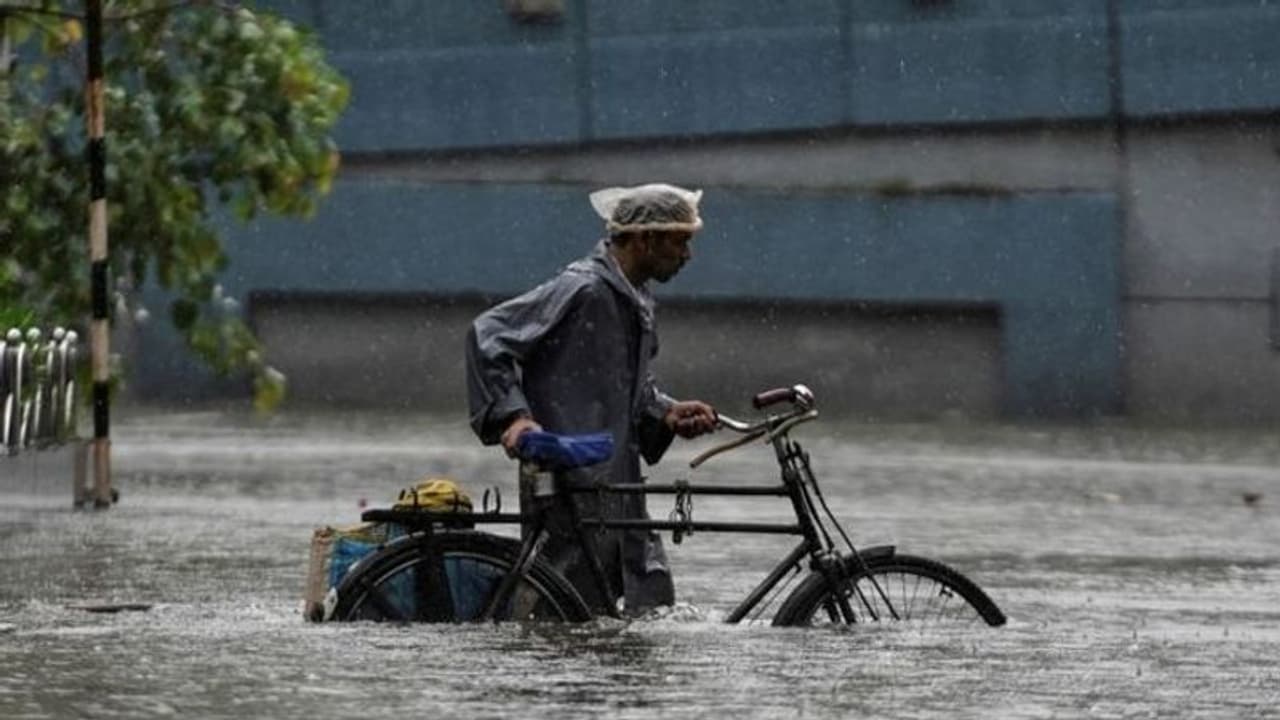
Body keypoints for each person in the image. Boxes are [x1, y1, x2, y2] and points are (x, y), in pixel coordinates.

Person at [465, 182, 718, 616]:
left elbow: (627, 390)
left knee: (643, 603)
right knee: (564, 604)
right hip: (570, 478)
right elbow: (488, 334)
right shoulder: (582, 288)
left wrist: (667, 412)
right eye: (680, 242)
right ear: (645, 239)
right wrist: (515, 418)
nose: (687, 255)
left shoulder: (636, 299)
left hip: (617, 479)